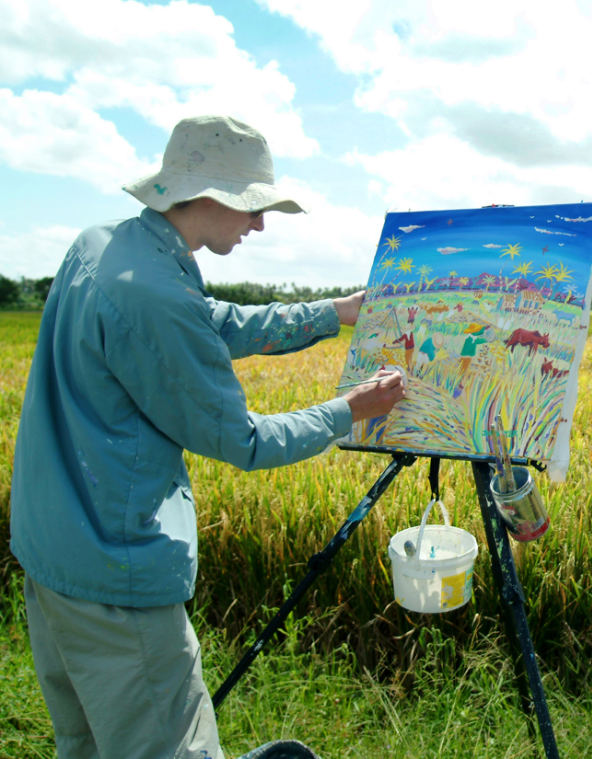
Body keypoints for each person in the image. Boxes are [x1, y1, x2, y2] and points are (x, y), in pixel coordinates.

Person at [8, 115, 407, 759]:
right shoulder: (156, 295)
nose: (259, 225)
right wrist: (351, 409)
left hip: (53, 550)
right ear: (212, 197)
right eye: (253, 209)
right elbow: (244, 441)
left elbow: (212, 321)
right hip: (116, 570)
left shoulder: (106, 246)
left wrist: (334, 313)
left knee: (85, 742)